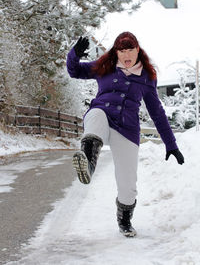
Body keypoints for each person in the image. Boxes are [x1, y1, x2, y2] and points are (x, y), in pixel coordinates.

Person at [66, 32, 184, 237]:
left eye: (130, 50)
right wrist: (74, 54)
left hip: (127, 130)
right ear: (116, 52)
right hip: (102, 117)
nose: (126, 54)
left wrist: (171, 144)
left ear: (138, 50)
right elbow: (74, 70)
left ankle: (125, 220)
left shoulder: (147, 77)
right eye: (122, 50)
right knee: (95, 114)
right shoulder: (104, 67)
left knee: (128, 184)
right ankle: (89, 162)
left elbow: (157, 112)